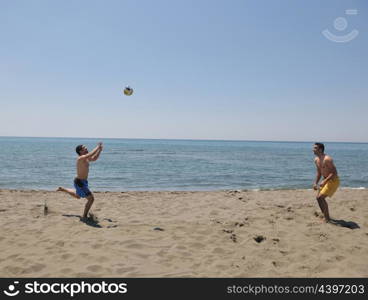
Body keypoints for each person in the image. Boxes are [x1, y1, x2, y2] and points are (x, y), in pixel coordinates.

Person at [57, 142, 103, 220]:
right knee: (91, 199)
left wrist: (100, 151)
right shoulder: (81, 158)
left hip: (83, 182)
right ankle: (84, 216)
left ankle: (63, 189)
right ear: (80, 151)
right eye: (84, 148)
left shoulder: (86, 158)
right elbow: (91, 154)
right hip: (80, 182)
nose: (86, 148)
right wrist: (98, 147)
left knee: (78, 196)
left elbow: (94, 158)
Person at [312, 142, 339, 222]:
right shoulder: (316, 160)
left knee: (321, 197)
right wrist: (315, 182)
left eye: (315, 148)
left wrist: (324, 181)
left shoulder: (327, 159)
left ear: (320, 150)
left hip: (333, 180)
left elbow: (334, 172)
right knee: (318, 198)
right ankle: (325, 215)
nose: (313, 150)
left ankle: (327, 219)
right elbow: (319, 173)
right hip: (325, 180)